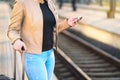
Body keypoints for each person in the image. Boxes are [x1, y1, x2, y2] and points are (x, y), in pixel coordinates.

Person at [7, 0, 82, 80]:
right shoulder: (22, 3)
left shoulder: (49, 3)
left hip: (49, 55)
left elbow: (52, 29)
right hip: (33, 56)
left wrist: (67, 23)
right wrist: (16, 40)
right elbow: (12, 30)